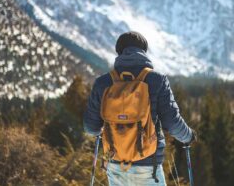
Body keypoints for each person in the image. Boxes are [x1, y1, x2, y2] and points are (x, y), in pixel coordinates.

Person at [84, 31, 196, 186]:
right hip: (148, 165)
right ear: (144, 51)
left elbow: (91, 128)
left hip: (116, 163)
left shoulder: (103, 83)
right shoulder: (157, 80)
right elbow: (172, 122)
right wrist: (188, 136)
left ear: (119, 52)